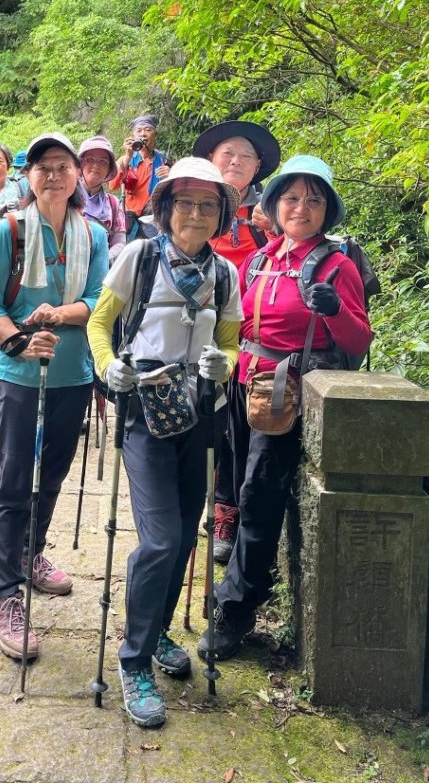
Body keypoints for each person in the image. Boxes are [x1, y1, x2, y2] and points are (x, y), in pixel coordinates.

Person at [87, 157, 243, 728]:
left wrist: (221, 365)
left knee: (180, 542)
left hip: (201, 414)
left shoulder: (225, 274)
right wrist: (108, 367)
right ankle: (134, 661)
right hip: (146, 412)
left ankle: (152, 635)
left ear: (221, 212)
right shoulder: (139, 255)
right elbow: (100, 323)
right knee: (159, 541)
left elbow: (230, 338)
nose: (196, 214)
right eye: (185, 203)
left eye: (208, 205)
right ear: (166, 207)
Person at [197, 155, 372, 663]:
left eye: (313, 200)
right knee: (230, 483)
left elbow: (357, 344)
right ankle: (237, 581)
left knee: (259, 495)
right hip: (239, 383)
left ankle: (235, 608)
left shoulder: (335, 266)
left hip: (282, 394)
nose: (301, 208)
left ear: (327, 210)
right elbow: (239, 323)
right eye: (291, 198)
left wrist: (335, 310)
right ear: (273, 206)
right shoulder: (263, 258)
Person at [0, 132, 109, 661]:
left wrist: (60, 314)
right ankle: (3, 593)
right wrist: (20, 340)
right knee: (13, 479)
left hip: (74, 371)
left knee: (52, 472)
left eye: (63, 166)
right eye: (42, 167)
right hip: (18, 372)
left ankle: (30, 552)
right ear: (26, 176)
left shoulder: (93, 235)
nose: (53, 175)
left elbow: (101, 299)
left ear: (78, 175)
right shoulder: (7, 230)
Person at [192, 121, 281, 564]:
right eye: (227, 153)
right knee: (201, 427)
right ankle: (196, 506)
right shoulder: (195, 205)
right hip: (193, 331)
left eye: (245, 156)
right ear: (212, 159)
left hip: (248, 340)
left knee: (235, 429)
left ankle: (226, 512)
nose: (235, 161)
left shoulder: (273, 213)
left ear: (258, 166)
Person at [109, 114, 170, 242]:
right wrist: (127, 157)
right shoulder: (126, 160)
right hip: (130, 220)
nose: (143, 134)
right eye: (139, 130)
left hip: (155, 219)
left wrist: (171, 175)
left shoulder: (164, 161)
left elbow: (177, 190)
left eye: (148, 130)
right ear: (133, 136)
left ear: (155, 134)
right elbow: (112, 185)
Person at [78, 134, 126, 262]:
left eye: (103, 161)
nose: (96, 165)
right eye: (90, 159)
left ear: (109, 169)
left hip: (100, 273)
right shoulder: (65, 197)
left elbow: (119, 242)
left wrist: (101, 261)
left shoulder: (113, 204)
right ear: (80, 164)